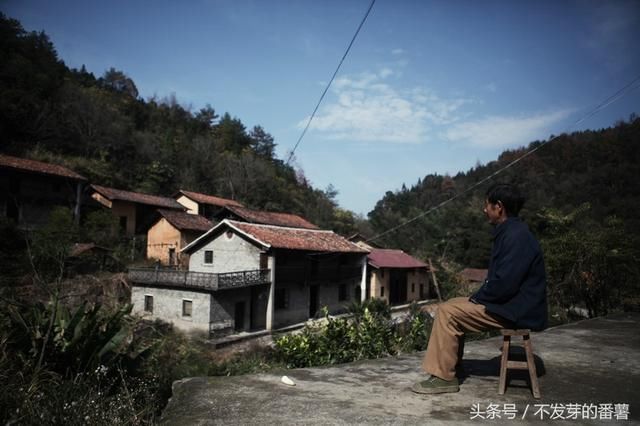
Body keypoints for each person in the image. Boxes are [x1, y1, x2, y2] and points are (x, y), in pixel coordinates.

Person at [411, 183, 547, 394]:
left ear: (499, 207)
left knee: (448, 313)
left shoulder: (516, 236)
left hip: (517, 310)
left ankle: (444, 378)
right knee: (451, 304)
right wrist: (478, 297)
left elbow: (504, 284)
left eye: (487, 206)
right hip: (511, 304)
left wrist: (479, 297)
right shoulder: (512, 231)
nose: (485, 210)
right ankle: (452, 365)